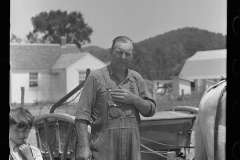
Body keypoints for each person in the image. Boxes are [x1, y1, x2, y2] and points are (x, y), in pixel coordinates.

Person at [75, 36, 156, 160]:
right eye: (119, 52)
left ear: (132, 56)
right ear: (111, 52)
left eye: (127, 54)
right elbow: (82, 115)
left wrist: (134, 99)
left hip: (132, 149)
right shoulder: (95, 78)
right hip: (104, 150)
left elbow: (150, 110)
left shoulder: (137, 79)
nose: (123, 57)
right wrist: (83, 146)